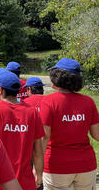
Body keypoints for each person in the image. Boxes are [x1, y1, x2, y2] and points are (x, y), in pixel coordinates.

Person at [0, 68, 45, 190]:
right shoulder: (32, 112)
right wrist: (39, 175)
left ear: (0, 90)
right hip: (25, 181)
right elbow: (38, 150)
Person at [40, 58, 99, 190]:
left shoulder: (48, 102)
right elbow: (97, 135)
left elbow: (44, 137)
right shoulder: (88, 102)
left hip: (57, 166)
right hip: (86, 166)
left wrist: (37, 167)